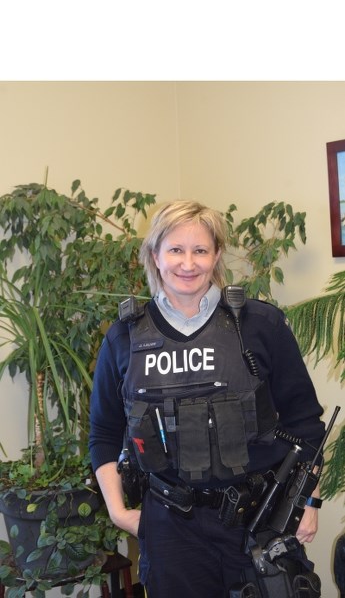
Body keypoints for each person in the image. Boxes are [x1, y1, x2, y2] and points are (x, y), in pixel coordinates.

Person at [89, 200, 325, 598]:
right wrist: (118, 510)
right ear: (155, 256)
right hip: (170, 527)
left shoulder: (261, 325)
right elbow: (104, 432)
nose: (188, 263)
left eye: (200, 250)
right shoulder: (123, 338)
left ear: (216, 255)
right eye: (175, 250)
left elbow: (306, 422)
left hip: (258, 518)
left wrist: (309, 501)